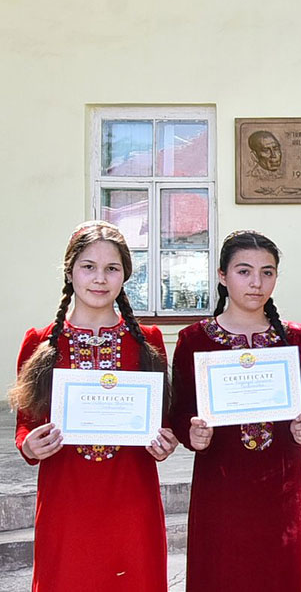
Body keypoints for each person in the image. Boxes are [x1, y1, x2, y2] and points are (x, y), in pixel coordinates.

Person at [10, 220, 178, 590]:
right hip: (66, 499)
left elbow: (160, 421)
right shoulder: (40, 342)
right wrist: (29, 444)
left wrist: (166, 442)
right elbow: (25, 423)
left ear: (125, 276)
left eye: (111, 268)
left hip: (132, 496)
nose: (99, 279)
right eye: (89, 266)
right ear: (70, 272)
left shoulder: (147, 341)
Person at [169, 230, 301, 592]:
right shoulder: (195, 340)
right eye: (244, 271)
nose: (256, 283)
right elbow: (178, 413)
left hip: (281, 487)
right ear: (222, 275)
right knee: (223, 572)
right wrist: (192, 435)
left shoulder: (295, 338)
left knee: (279, 573)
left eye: (267, 272)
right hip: (222, 486)